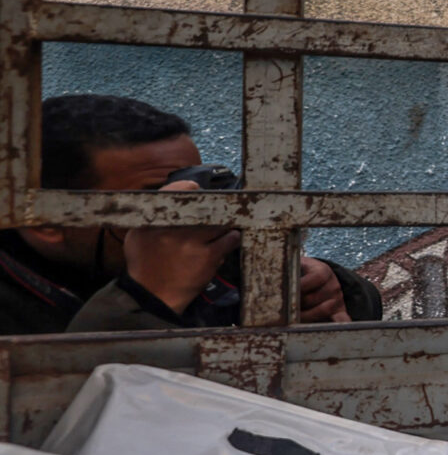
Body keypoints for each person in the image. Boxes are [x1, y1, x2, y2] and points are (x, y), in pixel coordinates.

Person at [1, 93, 380, 333]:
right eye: (156, 199)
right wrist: (148, 295)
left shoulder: (209, 261)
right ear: (46, 220)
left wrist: (334, 286)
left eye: (189, 188)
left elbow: (361, 317)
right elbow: (57, 415)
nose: (185, 215)